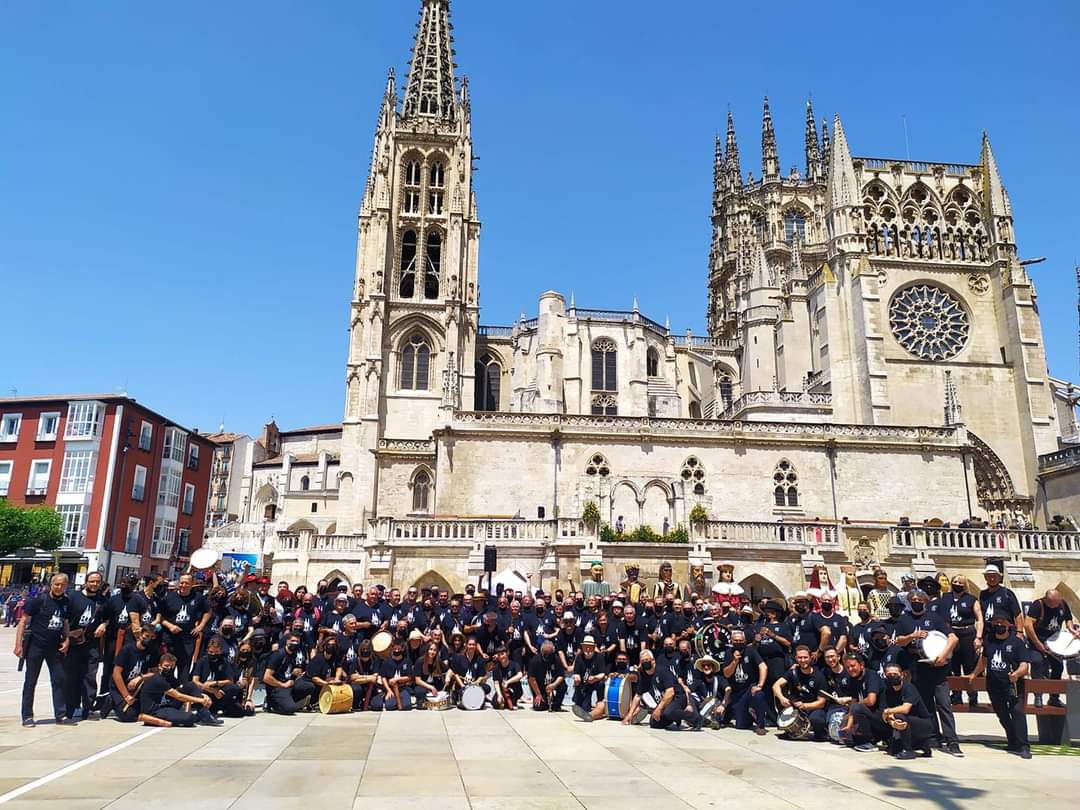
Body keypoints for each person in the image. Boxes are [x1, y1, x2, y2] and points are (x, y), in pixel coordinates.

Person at [907, 589, 963, 757]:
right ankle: (934, 737)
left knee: (944, 705)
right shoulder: (905, 619)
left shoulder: (935, 618)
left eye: (920, 599)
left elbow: (953, 638)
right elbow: (899, 641)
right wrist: (912, 636)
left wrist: (943, 655)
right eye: (913, 599)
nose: (916, 601)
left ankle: (952, 741)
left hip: (938, 671)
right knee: (927, 707)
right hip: (919, 671)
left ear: (925, 602)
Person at [15, 572, 72, 727]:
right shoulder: (39, 600)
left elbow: (66, 623)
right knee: (30, 681)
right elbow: (23, 621)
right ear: (51, 585)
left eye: (62, 585)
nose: (59, 587)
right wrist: (18, 645)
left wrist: (67, 640)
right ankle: (27, 716)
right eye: (57, 584)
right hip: (36, 646)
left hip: (55, 648)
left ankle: (61, 715)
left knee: (59, 680)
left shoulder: (66, 602)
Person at [971, 616, 1032, 758]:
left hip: (1013, 686)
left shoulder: (1017, 643)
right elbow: (984, 660)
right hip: (993, 685)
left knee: (1017, 712)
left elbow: (1024, 665)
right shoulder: (989, 640)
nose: (999, 624)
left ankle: (1023, 746)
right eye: (996, 622)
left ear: (1008, 624)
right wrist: (974, 674)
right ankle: (1013, 740)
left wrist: (1016, 674)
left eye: (1002, 622)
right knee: (1002, 714)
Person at [64, 571, 107, 721]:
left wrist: (104, 624)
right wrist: (69, 635)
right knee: (73, 676)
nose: (94, 584)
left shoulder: (102, 600)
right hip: (74, 644)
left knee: (90, 676)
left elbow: (107, 617)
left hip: (92, 644)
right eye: (92, 581)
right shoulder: (73, 597)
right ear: (86, 582)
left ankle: (87, 708)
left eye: (97, 582)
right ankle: (72, 707)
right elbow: (65, 619)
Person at [1025, 589, 1078, 708]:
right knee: (1037, 663)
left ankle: (1054, 698)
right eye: (1052, 603)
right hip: (1038, 640)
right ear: (1046, 600)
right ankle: (1038, 695)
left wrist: (1071, 629)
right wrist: (1038, 643)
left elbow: (1068, 619)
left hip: (1054, 641)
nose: (1055, 606)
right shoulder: (1038, 605)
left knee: (1058, 666)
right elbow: (1027, 625)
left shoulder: (1062, 604)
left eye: (1057, 603)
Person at [138, 652, 218, 728]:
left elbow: (184, 690)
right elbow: (178, 696)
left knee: (190, 685)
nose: (169, 668)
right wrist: (201, 700)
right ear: (159, 666)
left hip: (168, 705)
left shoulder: (171, 678)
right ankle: (149, 719)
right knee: (190, 718)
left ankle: (204, 713)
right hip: (155, 710)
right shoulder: (158, 679)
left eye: (172, 666)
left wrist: (203, 695)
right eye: (166, 666)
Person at [937, 575, 982, 708]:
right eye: (955, 582)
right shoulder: (945, 598)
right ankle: (956, 695)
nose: (957, 584)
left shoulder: (971, 599)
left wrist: (978, 637)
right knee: (953, 666)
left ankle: (972, 694)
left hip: (967, 634)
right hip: (952, 634)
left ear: (964, 585)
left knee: (968, 666)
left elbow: (979, 619)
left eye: (960, 582)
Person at [879, 662, 935, 759]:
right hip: (904, 723)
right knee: (894, 750)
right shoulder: (887, 691)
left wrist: (888, 711)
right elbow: (887, 715)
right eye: (889, 675)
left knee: (899, 715)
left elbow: (905, 709)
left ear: (901, 675)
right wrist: (893, 723)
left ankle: (908, 750)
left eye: (895, 674)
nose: (892, 677)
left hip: (923, 724)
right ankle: (921, 744)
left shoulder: (909, 687)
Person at [160, 574, 210, 680]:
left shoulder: (198, 597)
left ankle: (182, 687)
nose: (183, 585)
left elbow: (208, 611)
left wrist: (201, 626)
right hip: (170, 638)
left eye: (186, 583)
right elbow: (160, 617)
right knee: (167, 668)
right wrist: (170, 626)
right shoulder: (169, 597)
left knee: (184, 670)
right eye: (181, 582)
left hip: (188, 639)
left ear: (192, 584)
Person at [773, 645, 828, 741]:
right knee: (779, 697)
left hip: (812, 707)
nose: (803, 660)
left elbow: (821, 702)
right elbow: (776, 685)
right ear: (796, 658)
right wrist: (782, 698)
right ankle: (790, 730)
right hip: (796, 706)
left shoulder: (819, 676)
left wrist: (805, 706)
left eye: (805, 657)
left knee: (817, 719)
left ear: (810, 657)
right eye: (800, 657)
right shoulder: (793, 672)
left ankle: (820, 733)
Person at [107, 625, 160, 722]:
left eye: (152, 637)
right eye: (146, 636)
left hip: (137, 686)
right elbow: (116, 673)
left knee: (148, 710)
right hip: (120, 687)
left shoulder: (153, 651)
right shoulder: (127, 650)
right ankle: (111, 700)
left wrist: (141, 677)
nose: (149, 639)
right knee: (129, 716)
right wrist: (126, 695)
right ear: (140, 635)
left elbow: (155, 673)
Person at [723, 628, 768, 734]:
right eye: (736, 641)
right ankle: (750, 714)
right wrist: (734, 661)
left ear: (745, 641)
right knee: (741, 725)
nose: (738, 643)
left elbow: (763, 667)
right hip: (737, 692)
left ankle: (761, 725)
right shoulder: (728, 653)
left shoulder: (751, 651)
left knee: (759, 695)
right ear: (731, 641)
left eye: (740, 641)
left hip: (750, 688)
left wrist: (760, 685)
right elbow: (726, 673)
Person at [191, 636, 247, 718]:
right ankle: (210, 709)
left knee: (235, 690)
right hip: (204, 690)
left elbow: (230, 680)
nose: (213, 654)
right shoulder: (202, 661)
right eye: (211, 652)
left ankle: (219, 708)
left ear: (221, 651)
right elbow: (195, 680)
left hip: (219, 691)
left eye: (216, 652)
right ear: (207, 651)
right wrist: (210, 689)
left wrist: (215, 683)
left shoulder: (224, 661)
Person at [838, 652, 884, 751]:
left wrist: (854, 706)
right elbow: (854, 702)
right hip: (868, 715)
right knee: (850, 740)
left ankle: (869, 742)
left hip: (882, 716)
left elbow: (871, 700)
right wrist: (848, 726)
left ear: (861, 665)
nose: (850, 669)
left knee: (856, 707)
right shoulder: (852, 679)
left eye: (853, 666)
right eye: (847, 667)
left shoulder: (872, 676)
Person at [263, 632, 317, 714]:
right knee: (290, 709)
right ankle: (271, 702)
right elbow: (266, 677)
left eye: (297, 641)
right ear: (287, 641)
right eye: (293, 641)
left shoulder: (294, 654)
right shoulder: (278, 655)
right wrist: (282, 685)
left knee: (309, 686)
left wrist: (295, 673)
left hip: (289, 683)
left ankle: (287, 700)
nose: (295, 643)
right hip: (277, 686)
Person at [570, 635, 607, 721]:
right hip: (584, 683)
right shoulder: (579, 657)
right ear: (582, 647)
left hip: (596, 682)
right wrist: (577, 677)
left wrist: (595, 678)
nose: (587, 649)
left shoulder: (599, 657)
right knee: (584, 707)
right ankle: (583, 705)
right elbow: (576, 672)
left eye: (590, 647)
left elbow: (603, 673)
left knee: (601, 684)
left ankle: (599, 705)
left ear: (594, 647)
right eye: (585, 647)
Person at [528, 640, 567, 711]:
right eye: (545, 653)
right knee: (539, 707)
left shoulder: (556, 659)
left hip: (552, 683)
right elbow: (531, 679)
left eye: (549, 653)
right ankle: (546, 701)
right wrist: (538, 694)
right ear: (541, 651)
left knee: (563, 686)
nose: (547, 655)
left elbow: (561, 675)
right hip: (539, 687)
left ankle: (556, 705)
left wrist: (554, 685)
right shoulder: (535, 660)